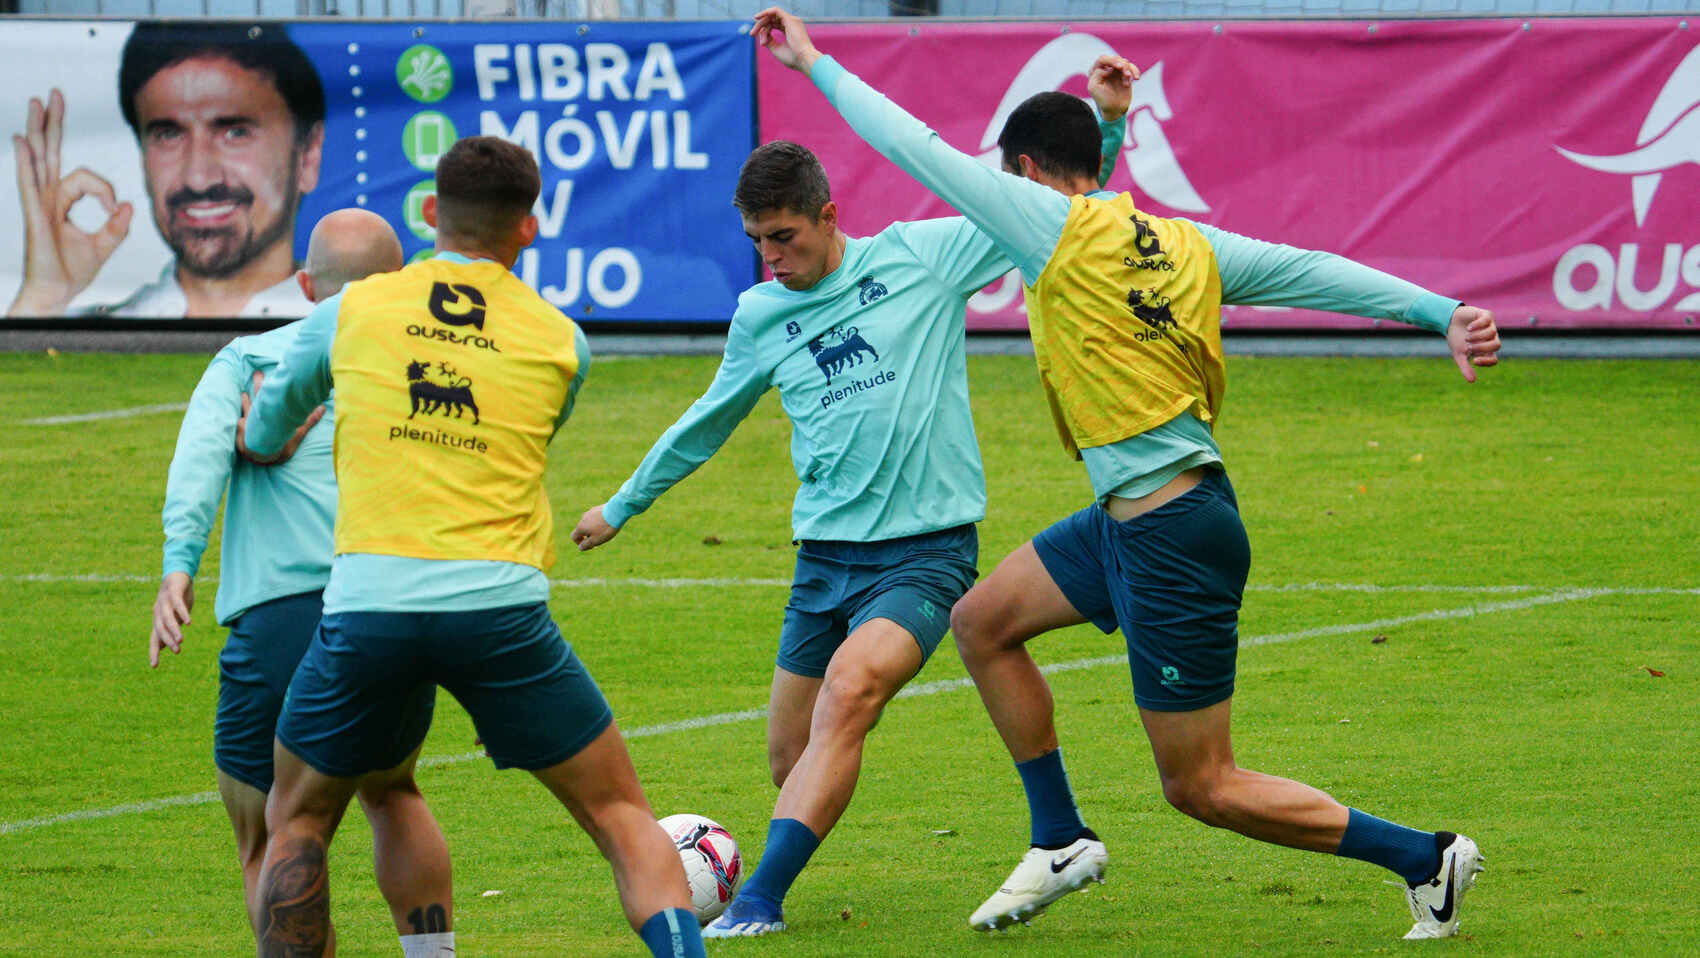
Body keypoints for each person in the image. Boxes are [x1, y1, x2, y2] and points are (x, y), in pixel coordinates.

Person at [754, 6, 1502, 942]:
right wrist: (1441, 312)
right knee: (981, 621)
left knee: (1203, 785)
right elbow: (1315, 271)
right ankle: (1060, 836)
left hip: (1170, 536)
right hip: (1134, 517)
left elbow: (912, 145)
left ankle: (1423, 858)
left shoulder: (1044, 226)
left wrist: (814, 62)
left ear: (1022, 174)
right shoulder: (1186, 242)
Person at [567, 57, 1132, 939]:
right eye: (757, 239)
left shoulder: (925, 256)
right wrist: (622, 505)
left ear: (830, 215)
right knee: (790, 756)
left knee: (851, 691)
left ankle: (757, 903)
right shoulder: (761, 312)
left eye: (785, 235)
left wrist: (1106, 125)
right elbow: (704, 422)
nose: (770, 256)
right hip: (822, 561)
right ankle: (770, 873)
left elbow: (1052, 208)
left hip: (924, 554)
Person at [243, 136, 706, 958]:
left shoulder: (351, 311)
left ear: (429, 214)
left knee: (300, 817)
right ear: (529, 228)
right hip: (499, 606)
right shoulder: (563, 342)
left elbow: (272, 425)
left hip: (369, 604)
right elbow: (528, 437)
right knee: (621, 814)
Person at [149, 207, 452, 954]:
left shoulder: (253, 361)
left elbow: (199, 462)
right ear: (402, 282)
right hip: (397, 609)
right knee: (393, 791)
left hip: (284, 619)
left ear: (308, 284)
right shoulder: (429, 368)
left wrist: (178, 565)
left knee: (275, 832)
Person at [8, 22, 323, 319]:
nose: (198, 179)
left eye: (235, 133)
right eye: (169, 135)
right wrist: (42, 299)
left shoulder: (354, 337)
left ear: (308, 155)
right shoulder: (80, 336)